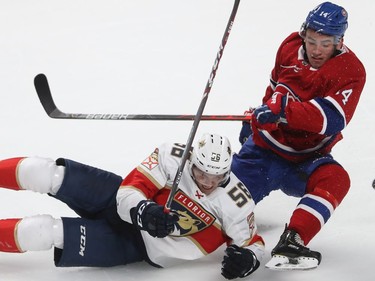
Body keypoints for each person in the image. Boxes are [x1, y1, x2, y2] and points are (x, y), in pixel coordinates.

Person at [0, 133, 264, 279]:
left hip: (135, 247)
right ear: (192, 159)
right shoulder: (173, 155)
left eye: (216, 177)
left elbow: (253, 242)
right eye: (202, 173)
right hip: (114, 199)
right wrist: (144, 211)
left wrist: (248, 260)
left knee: (45, 231)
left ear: (227, 172)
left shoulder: (236, 202)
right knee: (46, 173)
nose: (208, 182)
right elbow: (130, 191)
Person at [233, 1, 366, 270]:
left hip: (306, 159)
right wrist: (259, 116)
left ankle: (293, 240)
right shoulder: (289, 46)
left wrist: (283, 111)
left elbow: (332, 119)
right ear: (304, 33)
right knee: (216, 211)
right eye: (312, 40)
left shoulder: (351, 71)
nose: (316, 50)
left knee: (336, 180)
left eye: (325, 43)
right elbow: (273, 89)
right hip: (263, 151)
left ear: (339, 42)